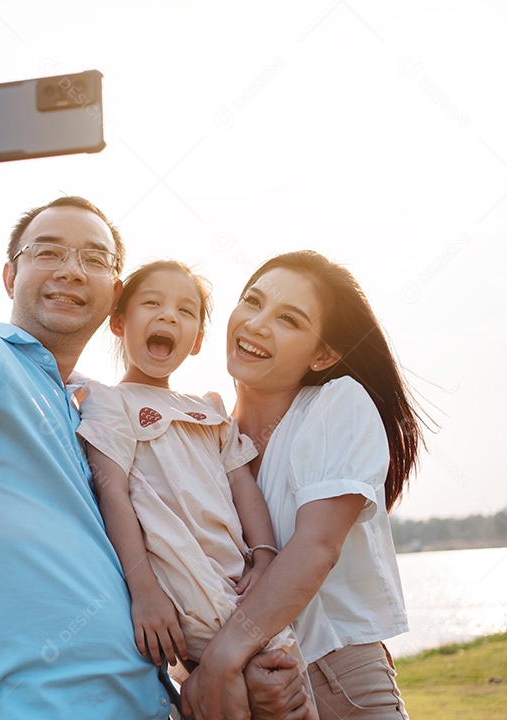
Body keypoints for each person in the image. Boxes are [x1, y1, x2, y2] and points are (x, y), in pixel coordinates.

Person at [0, 71, 309, 719]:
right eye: (47, 252)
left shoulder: (94, 413)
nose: (72, 270)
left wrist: (221, 678)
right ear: (10, 275)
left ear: (113, 293)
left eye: (94, 259)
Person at [181, 251, 425, 720]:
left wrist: (221, 660)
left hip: (336, 681)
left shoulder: (335, 405)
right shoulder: (203, 436)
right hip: (241, 691)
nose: (257, 324)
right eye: (253, 301)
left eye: (288, 319)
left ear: (323, 354)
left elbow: (317, 547)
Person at [76, 260, 314, 715]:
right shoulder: (109, 402)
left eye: (185, 311)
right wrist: (143, 588)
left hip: (243, 592)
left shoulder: (209, 410)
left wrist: (265, 556)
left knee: (291, 698)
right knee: (238, 698)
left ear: (198, 339)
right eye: (152, 303)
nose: (168, 316)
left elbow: (243, 485)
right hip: (185, 597)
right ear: (119, 321)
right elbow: (113, 493)